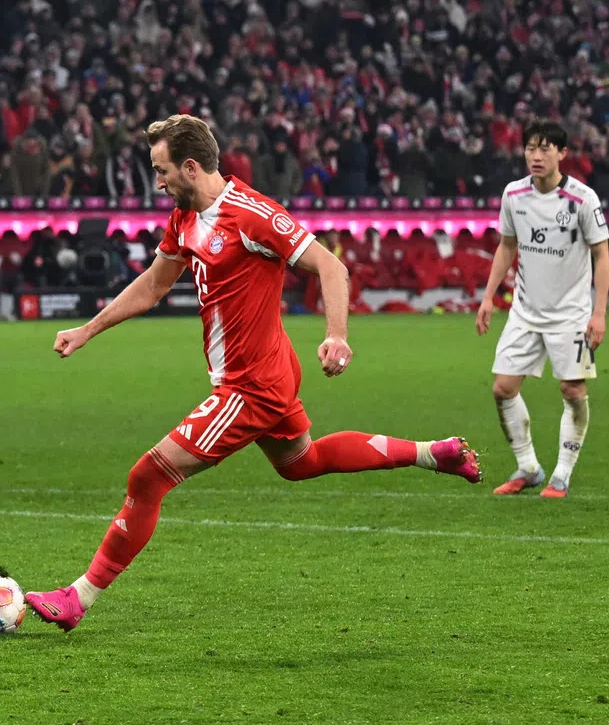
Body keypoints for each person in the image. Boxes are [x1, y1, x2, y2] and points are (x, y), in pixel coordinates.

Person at [24, 114, 481, 632]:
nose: (158, 182)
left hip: (251, 386)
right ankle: (433, 453)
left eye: (161, 170)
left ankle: (78, 598)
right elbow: (153, 285)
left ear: (190, 167)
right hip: (265, 372)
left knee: (147, 477)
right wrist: (89, 329)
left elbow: (332, 267)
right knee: (302, 462)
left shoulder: (253, 215)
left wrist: (336, 336)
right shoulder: (184, 216)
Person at [476, 120, 609, 499]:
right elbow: (506, 246)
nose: (536, 156)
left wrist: (599, 312)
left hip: (570, 314)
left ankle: (561, 475)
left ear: (562, 154)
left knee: (572, 389)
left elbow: (601, 255)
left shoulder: (583, 199)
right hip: (525, 311)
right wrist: (488, 297)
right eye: (530, 148)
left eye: (545, 149)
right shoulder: (514, 194)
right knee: (503, 388)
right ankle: (529, 467)